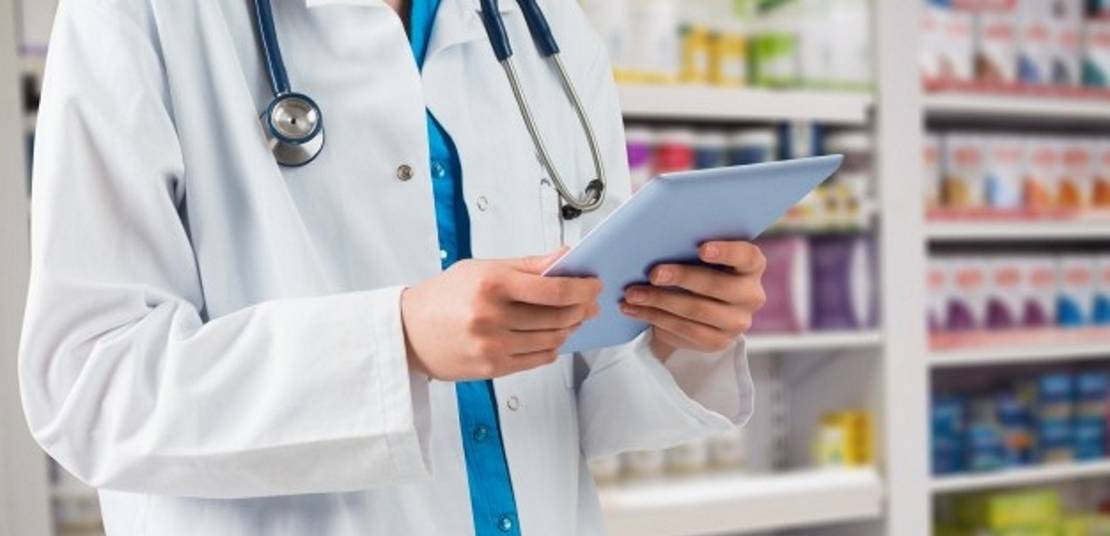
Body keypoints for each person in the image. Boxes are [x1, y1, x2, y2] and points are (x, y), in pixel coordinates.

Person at [18, 0, 765, 534]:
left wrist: (677, 332)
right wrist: (396, 342)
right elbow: (90, 385)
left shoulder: (548, 29)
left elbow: (579, 394)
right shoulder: (138, 15)